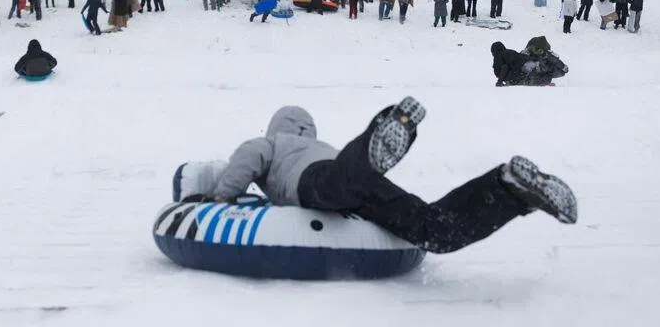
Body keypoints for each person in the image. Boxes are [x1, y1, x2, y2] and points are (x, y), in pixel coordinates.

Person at [200, 101, 576, 255]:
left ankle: (385, 128)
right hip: (357, 182)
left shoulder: (272, 142)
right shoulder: (322, 145)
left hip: (316, 181)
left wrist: (223, 195)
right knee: (435, 227)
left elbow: (251, 157)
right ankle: (509, 188)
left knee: (341, 180)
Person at [491, 41, 569, 86]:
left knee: (530, 80)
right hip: (531, 62)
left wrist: (499, 81)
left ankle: (545, 82)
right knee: (538, 74)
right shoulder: (510, 52)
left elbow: (505, 67)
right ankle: (547, 80)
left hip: (523, 69)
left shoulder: (499, 55)